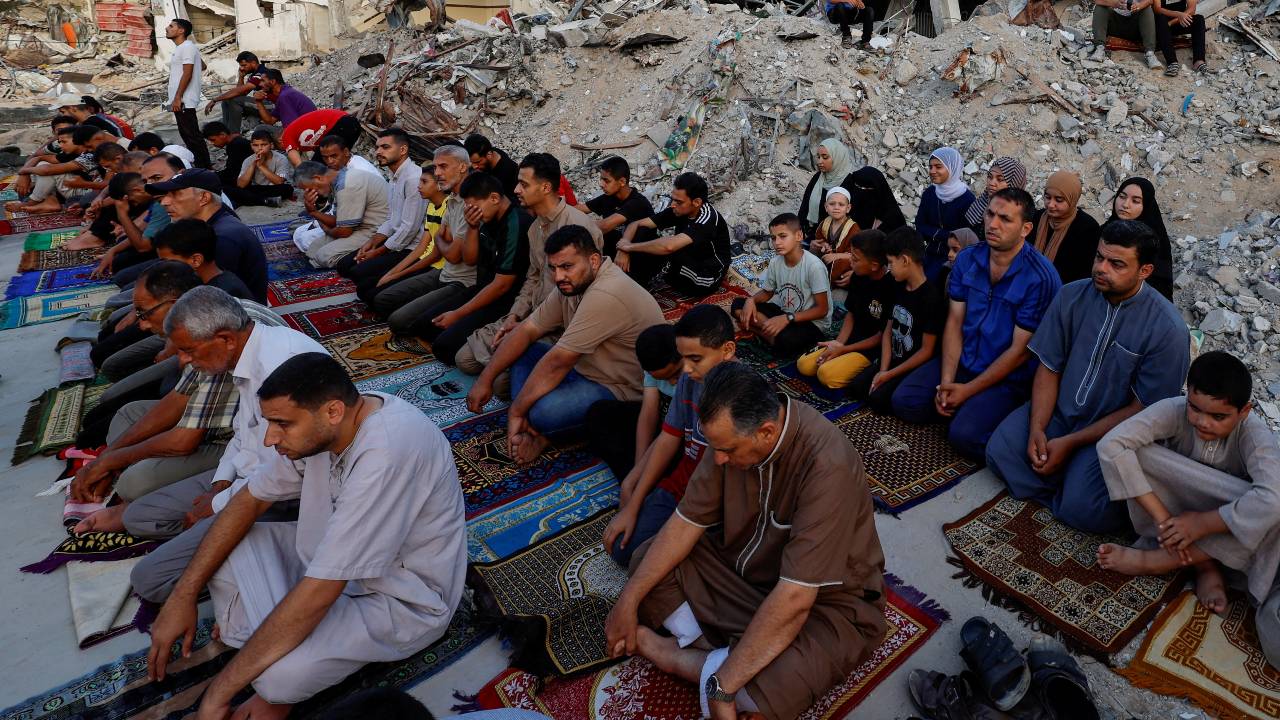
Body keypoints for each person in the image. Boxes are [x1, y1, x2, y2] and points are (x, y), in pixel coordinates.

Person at [146, 352, 467, 718]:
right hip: (326, 567)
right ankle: (272, 640)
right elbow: (248, 500)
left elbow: (321, 589)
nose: (269, 438)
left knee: (275, 680)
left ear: (332, 411)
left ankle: (268, 649)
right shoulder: (327, 426)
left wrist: (217, 695)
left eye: (281, 423)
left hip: (399, 598)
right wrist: (183, 596)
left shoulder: (388, 451)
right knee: (224, 541)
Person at [604, 362, 886, 720]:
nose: (717, 459)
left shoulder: (828, 466)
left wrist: (723, 688)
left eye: (727, 451)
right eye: (715, 448)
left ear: (766, 432)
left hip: (823, 605)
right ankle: (726, 655)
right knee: (646, 561)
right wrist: (626, 603)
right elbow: (685, 522)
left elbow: (797, 597)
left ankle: (677, 657)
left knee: (780, 685)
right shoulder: (728, 436)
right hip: (743, 574)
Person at [987, 219, 1189, 533]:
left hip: (1113, 435)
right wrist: (1038, 429)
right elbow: (1049, 366)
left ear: (1145, 271)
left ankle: (1070, 486)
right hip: (1060, 414)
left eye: (1116, 264)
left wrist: (1069, 443)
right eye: (1099, 257)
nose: (1101, 268)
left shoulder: (1167, 329)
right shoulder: (1071, 296)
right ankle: (1064, 483)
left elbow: (1144, 411)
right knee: (999, 451)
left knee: (1083, 510)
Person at [124, 287, 324, 603]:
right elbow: (241, 435)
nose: (184, 360)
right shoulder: (244, 356)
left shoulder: (281, 367)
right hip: (243, 481)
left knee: (150, 580)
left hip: (279, 495)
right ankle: (222, 546)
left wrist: (221, 505)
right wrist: (220, 485)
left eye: (189, 350)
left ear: (226, 339)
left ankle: (250, 559)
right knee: (140, 515)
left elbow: (290, 471)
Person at [1095, 352, 1280, 658]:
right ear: (1187, 393)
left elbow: (1272, 500)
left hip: (1228, 533)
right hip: (1174, 519)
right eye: (1195, 409)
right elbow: (1111, 444)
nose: (1202, 422)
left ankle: (1166, 560)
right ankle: (1202, 564)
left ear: (1244, 411)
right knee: (1134, 454)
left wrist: (1203, 523)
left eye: (1218, 417)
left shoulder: (1254, 435)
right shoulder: (1175, 410)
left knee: (1268, 505)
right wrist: (1166, 520)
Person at [466, 225, 665, 465]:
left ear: (593, 260)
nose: (558, 276)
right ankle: (533, 425)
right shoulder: (571, 284)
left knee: (543, 413)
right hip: (583, 369)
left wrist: (516, 411)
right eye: (553, 268)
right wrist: (484, 380)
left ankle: (540, 431)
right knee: (524, 347)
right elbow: (528, 330)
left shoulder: (607, 292)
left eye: (567, 266)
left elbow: (559, 361)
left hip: (618, 387)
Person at [892, 188, 1061, 459]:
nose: (993, 224)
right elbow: (955, 322)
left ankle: (993, 421)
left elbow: (1020, 352)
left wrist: (968, 391)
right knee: (904, 401)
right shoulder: (968, 259)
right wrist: (947, 382)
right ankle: (962, 406)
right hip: (963, 362)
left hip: (1006, 379)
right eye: (990, 214)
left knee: (964, 436)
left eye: (1005, 219)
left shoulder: (1040, 278)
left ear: (1025, 228)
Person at [69, 265, 237, 531]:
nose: (141, 323)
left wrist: (114, 460)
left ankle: (130, 498)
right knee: (127, 413)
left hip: (232, 442)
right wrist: (110, 459)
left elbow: (184, 441)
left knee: (133, 483)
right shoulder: (206, 320)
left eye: (145, 313)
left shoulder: (215, 340)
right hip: (219, 429)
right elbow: (177, 399)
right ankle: (128, 476)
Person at [603, 306, 737, 567]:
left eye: (695, 359)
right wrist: (633, 500)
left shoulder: (742, 392)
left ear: (728, 351)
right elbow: (668, 437)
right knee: (624, 550)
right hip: (683, 485)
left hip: (720, 497)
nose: (685, 369)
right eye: (683, 358)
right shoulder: (689, 380)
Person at [452, 153, 604, 382]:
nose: (515, 190)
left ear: (545, 187)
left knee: (502, 381)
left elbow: (583, 296)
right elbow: (532, 278)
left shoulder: (578, 227)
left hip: (560, 323)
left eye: (523, 184)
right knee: (464, 358)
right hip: (531, 314)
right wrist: (515, 315)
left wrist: (529, 328)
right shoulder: (535, 228)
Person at [405, 172, 532, 364]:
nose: (470, 211)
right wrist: (472, 228)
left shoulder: (516, 223)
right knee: (423, 326)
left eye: (473, 206)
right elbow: (470, 259)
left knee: (444, 348)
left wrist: (458, 313)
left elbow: (502, 285)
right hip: (482, 289)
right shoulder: (485, 219)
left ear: (494, 198)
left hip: (504, 299)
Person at [374, 146, 478, 330]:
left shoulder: (470, 202)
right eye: (436, 167)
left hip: (461, 281)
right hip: (443, 272)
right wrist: (443, 239)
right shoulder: (453, 199)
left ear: (462, 167)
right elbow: (440, 243)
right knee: (382, 298)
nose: (437, 173)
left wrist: (441, 239)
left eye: (443, 167)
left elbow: (452, 254)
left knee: (397, 321)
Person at [849, 228, 943, 412]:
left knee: (878, 401)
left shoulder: (931, 298)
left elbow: (926, 351)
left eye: (891, 263)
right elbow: (888, 330)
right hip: (891, 359)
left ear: (906, 260)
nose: (889, 269)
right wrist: (883, 370)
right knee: (856, 388)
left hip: (911, 364)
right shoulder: (897, 285)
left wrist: (890, 374)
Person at [147, 167, 269, 303]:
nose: (164, 202)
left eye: (175, 194)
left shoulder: (223, 238)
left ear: (204, 198)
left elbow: (212, 295)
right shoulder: (216, 219)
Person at [797, 229, 896, 389]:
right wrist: (838, 343)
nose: (850, 262)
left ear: (874, 265)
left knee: (826, 375)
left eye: (855, 259)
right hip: (850, 338)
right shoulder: (857, 276)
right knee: (805, 365)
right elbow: (851, 313)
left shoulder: (891, 287)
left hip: (869, 349)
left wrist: (844, 350)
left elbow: (881, 336)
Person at [585, 323, 683, 481]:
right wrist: (638, 467)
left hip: (680, 436)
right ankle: (635, 478)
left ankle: (643, 481)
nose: (672, 382)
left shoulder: (694, 372)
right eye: (664, 378)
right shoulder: (653, 364)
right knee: (598, 413)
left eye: (676, 373)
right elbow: (649, 413)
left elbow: (673, 434)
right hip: (662, 426)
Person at [334, 128, 427, 289]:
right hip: (394, 240)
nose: (378, 152)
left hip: (409, 247)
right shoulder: (394, 177)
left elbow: (409, 228)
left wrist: (379, 251)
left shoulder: (413, 179)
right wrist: (372, 243)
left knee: (358, 274)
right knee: (344, 265)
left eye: (385, 147)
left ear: (403, 150)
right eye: (377, 147)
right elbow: (391, 218)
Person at [732, 213, 831, 358]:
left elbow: (822, 310)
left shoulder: (813, 266)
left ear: (798, 236)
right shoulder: (775, 262)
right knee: (738, 305)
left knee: (787, 341)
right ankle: (771, 333)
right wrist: (751, 300)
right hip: (785, 314)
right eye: (773, 238)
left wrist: (787, 319)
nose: (777, 242)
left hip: (811, 323)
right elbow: (767, 293)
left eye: (783, 236)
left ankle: (762, 332)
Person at [616, 172, 731, 297]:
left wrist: (629, 247)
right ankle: (634, 282)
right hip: (688, 261)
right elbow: (637, 224)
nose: (673, 205)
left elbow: (669, 247)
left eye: (679, 202)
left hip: (706, 277)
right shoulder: (680, 210)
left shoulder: (707, 219)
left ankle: (638, 287)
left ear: (696, 202)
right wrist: (623, 248)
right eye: (673, 199)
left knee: (670, 251)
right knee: (643, 231)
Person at [360, 162, 448, 305]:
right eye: (419, 180)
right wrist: (392, 273)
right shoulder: (432, 205)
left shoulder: (448, 207)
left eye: (424, 181)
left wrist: (398, 275)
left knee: (375, 297)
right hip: (422, 258)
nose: (419, 186)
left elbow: (435, 255)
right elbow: (422, 247)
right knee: (365, 287)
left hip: (435, 265)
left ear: (439, 185)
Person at [291, 160, 390, 269]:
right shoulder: (337, 180)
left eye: (308, 189)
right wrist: (313, 212)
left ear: (318, 178)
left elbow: (344, 232)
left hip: (376, 230)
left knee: (323, 256)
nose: (309, 193)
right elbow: (339, 221)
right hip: (357, 226)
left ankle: (370, 256)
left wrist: (328, 230)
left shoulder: (347, 185)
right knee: (312, 249)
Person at [1104, 177, 1174, 300]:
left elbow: (1160, 287)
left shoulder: (1153, 242)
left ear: (1145, 205)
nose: (1125, 205)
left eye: (1135, 201)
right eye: (1122, 197)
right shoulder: (1102, 232)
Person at [1031, 170, 1102, 285]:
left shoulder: (1087, 228)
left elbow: (1083, 274)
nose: (1051, 204)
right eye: (1048, 197)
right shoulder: (1037, 218)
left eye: (1059, 200)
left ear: (1072, 199)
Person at [154, 220, 254, 299]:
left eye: (166, 261)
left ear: (196, 260)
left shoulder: (219, 296)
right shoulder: (210, 282)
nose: (163, 268)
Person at [915, 147, 976, 277]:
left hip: (952, 257)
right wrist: (946, 235)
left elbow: (963, 237)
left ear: (951, 167)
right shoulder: (930, 193)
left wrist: (933, 233)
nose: (932, 171)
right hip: (928, 252)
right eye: (930, 167)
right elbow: (920, 225)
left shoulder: (967, 199)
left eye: (938, 167)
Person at [161, 18, 211, 169]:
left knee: (192, 136)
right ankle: (202, 166)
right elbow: (202, 65)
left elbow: (187, 73)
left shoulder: (187, 47)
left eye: (171, 26)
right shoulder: (186, 48)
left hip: (184, 99)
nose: (167, 28)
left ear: (181, 31)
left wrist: (178, 98)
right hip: (182, 99)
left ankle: (205, 168)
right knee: (188, 135)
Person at [581, 155, 655, 256]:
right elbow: (580, 209)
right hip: (611, 256)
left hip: (634, 260)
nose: (601, 184)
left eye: (606, 181)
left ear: (622, 182)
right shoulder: (609, 197)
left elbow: (604, 226)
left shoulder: (638, 203)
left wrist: (572, 231)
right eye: (601, 179)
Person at [797, 138, 858, 239]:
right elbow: (805, 206)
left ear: (837, 158)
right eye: (818, 157)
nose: (819, 161)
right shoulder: (818, 177)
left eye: (825, 157)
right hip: (810, 234)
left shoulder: (849, 182)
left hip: (833, 239)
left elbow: (850, 216)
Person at [205, 51, 271, 131]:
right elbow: (242, 93)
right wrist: (241, 77)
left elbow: (239, 92)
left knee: (234, 99)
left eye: (244, 65)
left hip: (270, 105)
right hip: (261, 104)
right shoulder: (254, 74)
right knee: (227, 100)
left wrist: (215, 99)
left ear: (253, 63)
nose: (241, 68)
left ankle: (233, 133)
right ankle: (227, 131)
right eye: (240, 66)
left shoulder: (261, 73)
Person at [228, 128, 293, 207]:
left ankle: (255, 200)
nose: (259, 148)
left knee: (288, 189)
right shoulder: (248, 160)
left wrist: (261, 166)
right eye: (256, 145)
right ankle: (265, 200)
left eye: (264, 145)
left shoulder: (281, 158)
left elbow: (279, 182)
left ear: (271, 145)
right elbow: (241, 185)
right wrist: (253, 165)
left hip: (274, 188)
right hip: (257, 188)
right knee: (235, 190)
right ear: (251, 146)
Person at [809, 187, 860, 286]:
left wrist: (836, 256)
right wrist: (823, 245)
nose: (836, 207)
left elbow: (856, 254)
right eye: (832, 204)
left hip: (844, 259)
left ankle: (823, 283)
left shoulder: (854, 228)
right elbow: (820, 239)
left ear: (848, 208)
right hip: (827, 257)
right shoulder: (825, 223)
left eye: (841, 204)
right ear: (826, 207)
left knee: (839, 264)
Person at [1090, 0, 1163, 69]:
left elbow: (1150, 1)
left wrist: (1139, 5)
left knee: (1147, 9)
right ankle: (1099, 48)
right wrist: (1114, 3)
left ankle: (1150, 53)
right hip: (1115, 24)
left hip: (1135, 25)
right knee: (1100, 7)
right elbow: (1097, 1)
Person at [964, 156, 1027, 236]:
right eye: (990, 177)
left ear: (1014, 184)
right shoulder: (979, 205)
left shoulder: (1018, 219)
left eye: (1000, 179)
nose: (992, 183)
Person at [846, 166, 906, 233]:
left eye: (866, 188)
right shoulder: (844, 207)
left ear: (879, 190)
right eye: (857, 186)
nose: (861, 191)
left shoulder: (893, 219)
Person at [251, 68, 318, 129]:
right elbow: (270, 121)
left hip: (310, 130)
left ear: (272, 82)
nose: (260, 84)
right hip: (308, 129)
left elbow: (291, 127)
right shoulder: (284, 93)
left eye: (263, 81)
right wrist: (258, 102)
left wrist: (280, 139)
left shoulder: (285, 96)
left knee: (262, 130)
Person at [1154, 0, 1207, 74]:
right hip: (1161, 24)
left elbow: (1191, 10)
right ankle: (1172, 62)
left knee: (1199, 19)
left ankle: (1198, 61)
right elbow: (1157, 9)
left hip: (1177, 21)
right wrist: (1178, 14)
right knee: (1161, 20)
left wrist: (1172, 22)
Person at [201, 121, 255, 192]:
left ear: (223, 134)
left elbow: (233, 172)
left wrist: (213, 175)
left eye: (213, 140)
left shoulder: (236, 145)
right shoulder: (234, 142)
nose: (212, 143)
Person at [464, 133, 520, 198]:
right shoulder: (490, 151)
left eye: (478, 162)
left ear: (489, 154)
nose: (474, 166)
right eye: (471, 162)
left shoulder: (507, 173)